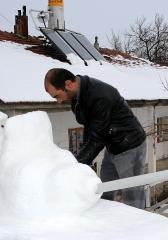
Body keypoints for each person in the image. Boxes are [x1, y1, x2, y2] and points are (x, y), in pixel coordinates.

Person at [44, 68, 147, 209]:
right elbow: (89, 129)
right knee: (103, 192)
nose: (59, 101)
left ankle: (139, 228)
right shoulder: (78, 97)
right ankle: (105, 226)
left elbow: (97, 138)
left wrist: (76, 165)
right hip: (112, 145)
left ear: (68, 84)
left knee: (132, 196)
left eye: (57, 96)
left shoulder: (99, 96)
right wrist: (84, 161)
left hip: (130, 146)